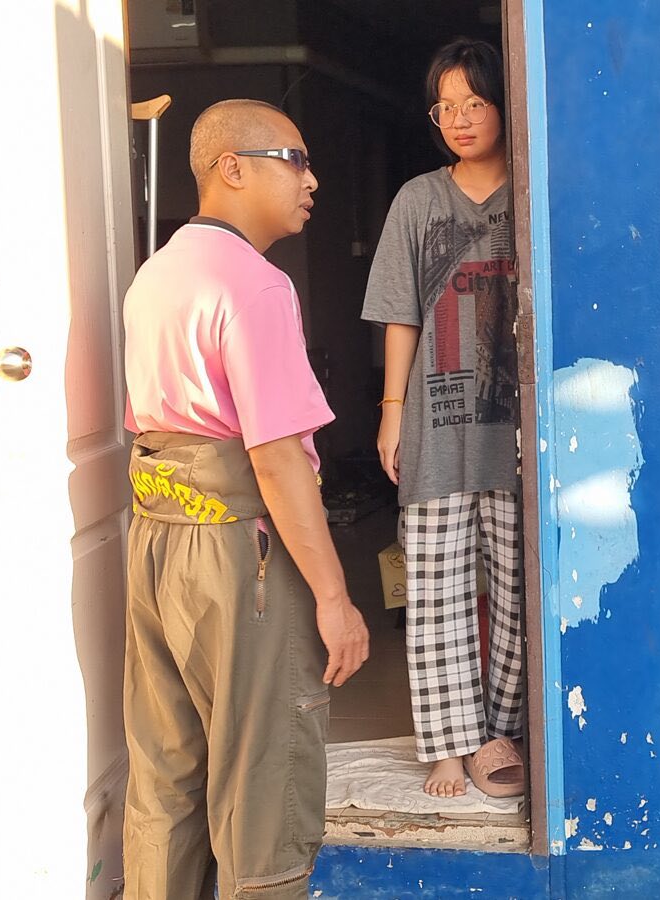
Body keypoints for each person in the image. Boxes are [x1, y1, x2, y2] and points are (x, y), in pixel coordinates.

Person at [121, 98, 370, 898]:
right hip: (239, 553)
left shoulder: (155, 274)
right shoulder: (255, 286)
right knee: (265, 776)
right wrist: (335, 597)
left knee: (167, 774)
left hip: (157, 540)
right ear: (232, 168)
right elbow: (275, 460)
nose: (313, 180)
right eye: (294, 160)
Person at [362, 38, 527, 800]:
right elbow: (400, 315)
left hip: (517, 429)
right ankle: (449, 745)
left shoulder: (531, 192)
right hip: (435, 421)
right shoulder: (419, 202)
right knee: (433, 588)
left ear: (503, 103)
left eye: (474, 103)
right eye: (445, 107)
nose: (459, 120)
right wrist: (392, 411)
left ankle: (501, 734)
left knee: (520, 588)